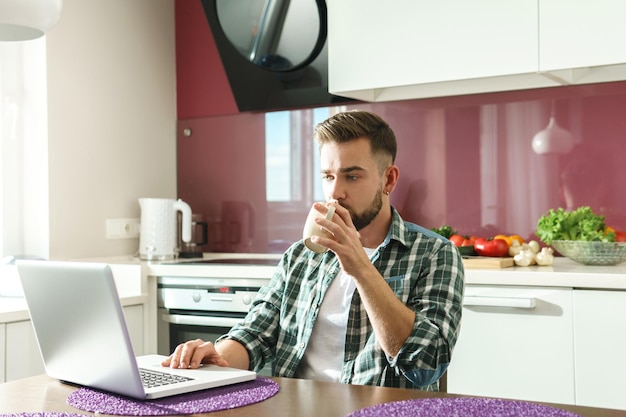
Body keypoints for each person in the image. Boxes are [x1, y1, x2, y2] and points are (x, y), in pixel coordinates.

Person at [162, 110, 465, 391]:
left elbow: (427, 365)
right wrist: (215, 356)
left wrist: (360, 266)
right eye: (328, 176)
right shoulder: (301, 256)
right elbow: (256, 333)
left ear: (388, 179)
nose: (335, 192)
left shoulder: (434, 254)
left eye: (352, 176)